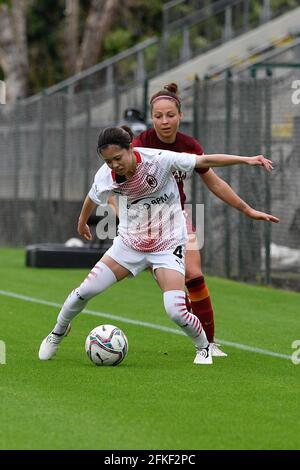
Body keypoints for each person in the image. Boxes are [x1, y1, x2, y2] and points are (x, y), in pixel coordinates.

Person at [38, 126, 278, 365]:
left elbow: (205, 160)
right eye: (108, 161)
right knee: (84, 292)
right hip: (129, 244)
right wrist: (81, 223)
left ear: (131, 148)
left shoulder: (159, 160)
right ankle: (57, 333)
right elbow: (92, 197)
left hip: (168, 243)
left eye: (118, 158)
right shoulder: (105, 174)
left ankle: (203, 348)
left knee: (175, 310)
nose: (114, 165)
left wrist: (247, 160)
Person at [127, 82, 280, 357]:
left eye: (170, 115)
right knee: (173, 293)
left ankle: (208, 344)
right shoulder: (141, 144)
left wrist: (247, 210)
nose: (164, 121)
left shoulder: (189, 146)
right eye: (158, 116)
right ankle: (192, 324)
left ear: (180, 116)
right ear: (151, 118)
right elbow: (118, 181)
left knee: (194, 275)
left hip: (176, 217)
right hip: (143, 222)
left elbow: (215, 182)